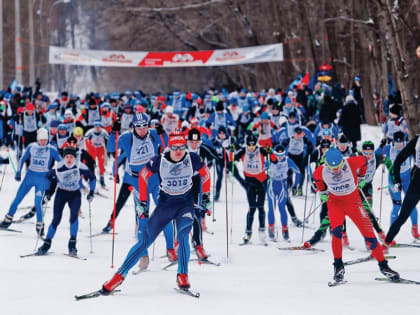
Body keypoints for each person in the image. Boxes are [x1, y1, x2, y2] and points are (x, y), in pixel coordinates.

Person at [101, 131, 211, 293]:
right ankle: (118, 276)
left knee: (182, 237)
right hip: (165, 204)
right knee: (145, 240)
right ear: (169, 147)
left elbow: (206, 174)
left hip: (185, 204)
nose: (179, 151)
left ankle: (182, 274)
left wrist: (205, 197)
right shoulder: (159, 161)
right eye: (175, 147)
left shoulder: (192, 159)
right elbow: (143, 176)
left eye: (182, 147)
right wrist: (143, 202)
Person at [313, 148, 399, 283]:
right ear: (327, 164)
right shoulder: (321, 170)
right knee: (336, 233)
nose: (335, 170)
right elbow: (317, 179)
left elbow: (365, 161)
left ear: (342, 161)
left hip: (354, 203)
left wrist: (361, 176)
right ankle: (338, 267)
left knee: (369, 235)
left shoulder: (351, 162)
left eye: (338, 166)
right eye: (332, 167)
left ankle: (384, 266)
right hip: (335, 204)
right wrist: (323, 190)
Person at [0, 128, 62, 236]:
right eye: (41, 139)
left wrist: (57, 174)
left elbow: (61, 163)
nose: (43, 142)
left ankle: (40, 225)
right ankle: (7, 219)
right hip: (30, 177)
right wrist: (18, 172)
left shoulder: (51, 149)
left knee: (38, 202)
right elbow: (22, 159)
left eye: (45, 140)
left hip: (42, 179)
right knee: (18, 198)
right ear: (38, 139)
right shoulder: (32, 146)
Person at [36, 147, 96, 255]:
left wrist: (91, 192)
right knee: (56, 219)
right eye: (67, 157)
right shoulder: (58, 166)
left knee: (73, 217)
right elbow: (47, 178)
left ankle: (72, 244)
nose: (69, 159)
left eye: (71, 157)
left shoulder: (79, 166)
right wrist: (48, 191)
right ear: (64, 158)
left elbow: (92, 178)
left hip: (75, 194)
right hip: (61, 193)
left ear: (74, 158)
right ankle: (46, 243)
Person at [379, 132, 419, 239]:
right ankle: (391, 235)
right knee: (397, 205)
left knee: (410, 205)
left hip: (407, 180)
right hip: (393, 180)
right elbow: (376, 153)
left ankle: (415, 229)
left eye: (400, 142)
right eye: (396, 143)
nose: (398, 145)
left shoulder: (409, 147)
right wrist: (381, 146)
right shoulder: (389, 148)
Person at [234, 135, 272, 243]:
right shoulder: (242, 151)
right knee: (251, 208)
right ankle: (248, 231)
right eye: (249, 145)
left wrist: (270, 152)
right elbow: (232, 161)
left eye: (253, 145)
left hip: (261, 181)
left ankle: (262, 230)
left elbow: (273, 157)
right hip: (249, 182)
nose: (251, 147)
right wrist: (231, 151)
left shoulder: (261, 150)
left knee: (260, 206)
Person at [267, 145, 301, 241]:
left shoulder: (287, 160)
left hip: (282, 185)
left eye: (281, 154)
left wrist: (295, 185)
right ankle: (271, 228)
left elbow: (298, 172)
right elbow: (262, 169)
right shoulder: (270, 159)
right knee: (271, 207)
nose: (279, 157)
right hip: (271, 185)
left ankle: (285, 230)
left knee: (282, 207)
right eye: (277, 155)